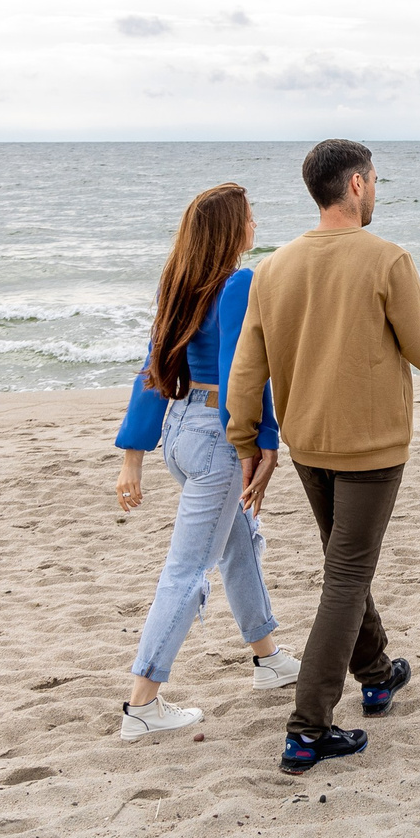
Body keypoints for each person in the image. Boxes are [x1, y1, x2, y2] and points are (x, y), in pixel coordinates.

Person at [227, 139, 420, 775]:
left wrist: (249, 443)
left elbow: (249, 368)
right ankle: (308, 729)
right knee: (346, 576)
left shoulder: (272, 268)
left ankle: (377, 674)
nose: (377, 189)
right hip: (371, 450)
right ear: (355, 186)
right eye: (374, 180)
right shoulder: (386, 260)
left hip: (309, 445)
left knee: (343, 563)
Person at [111, 182, 301, 740]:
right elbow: (245, 371)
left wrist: (134, 458)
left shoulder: (178, 284)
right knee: (188, 569)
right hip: (218, 437)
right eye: (249, 217)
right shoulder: (239, 283)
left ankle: (268, 658)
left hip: (179, 431)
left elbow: (153, 368)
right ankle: (143, 704)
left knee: (238, 543)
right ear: (229, 231)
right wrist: (258, 442)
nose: (256, 225)